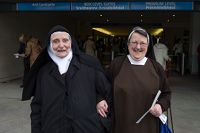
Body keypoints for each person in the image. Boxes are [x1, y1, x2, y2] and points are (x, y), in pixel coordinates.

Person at [22, 25, 112, 133]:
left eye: (65, 40)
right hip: (53, 127)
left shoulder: (89, 66)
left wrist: (99, 101)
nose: (61, 45)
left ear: (71, 43)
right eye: (56, 41)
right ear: (50, 45)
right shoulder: (43, 72)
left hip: (87, 128)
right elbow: (37, 106)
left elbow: (108, 92)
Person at [107, 26, 171, 133]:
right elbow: (102, 88)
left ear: (148, 46)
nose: (138, 47)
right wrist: (100, 100)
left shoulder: (156, 68)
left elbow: (166, 93)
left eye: (142, 43)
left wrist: (161, 105)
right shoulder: (117, 65)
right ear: (128, 44)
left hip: (149, 126)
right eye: (134, 42)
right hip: (121, 125)